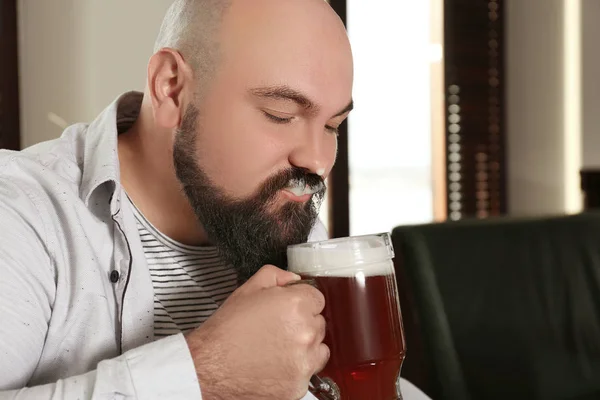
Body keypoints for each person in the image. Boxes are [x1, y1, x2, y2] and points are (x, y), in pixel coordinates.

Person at [0, 0, 431, 399]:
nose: (317, 161)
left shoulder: (280, 212)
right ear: (171, 89)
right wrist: (206, 373)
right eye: (280, 115)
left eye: (332, 126)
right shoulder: (20, 214)